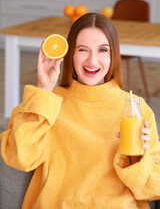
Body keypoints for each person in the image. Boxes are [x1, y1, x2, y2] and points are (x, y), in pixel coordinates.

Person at [0, 13, 160, 209]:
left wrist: (137, 158)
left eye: (102, 50)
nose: (92, 60)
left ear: (113, 55)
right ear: (70, 54)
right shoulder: (47, 101)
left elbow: (153, 188)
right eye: (83, 50)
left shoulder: (136, 109)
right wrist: (44, 88)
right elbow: (21, 158)